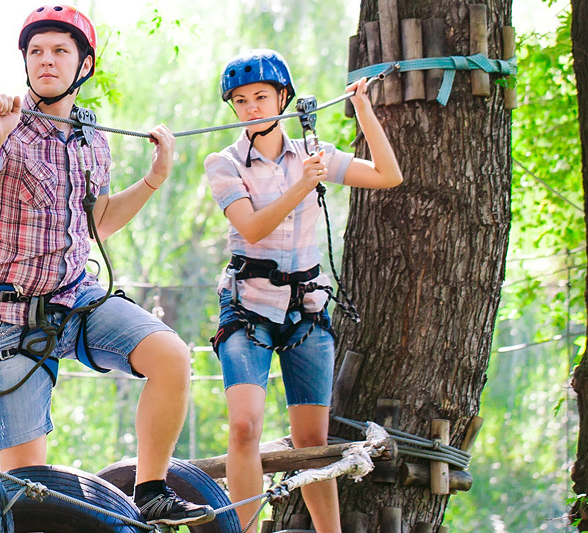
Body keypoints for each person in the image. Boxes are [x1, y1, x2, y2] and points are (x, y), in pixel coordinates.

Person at [0, 5, 212, 526]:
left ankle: (152, 491)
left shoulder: (93, 139)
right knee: (30, 487)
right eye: (36, 52)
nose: (45, 60)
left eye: (59, 51)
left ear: (84, 64)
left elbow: (102, 222)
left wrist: (155, 178)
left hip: (78, 297)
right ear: (25, 62)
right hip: (13, 316)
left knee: (171, 357)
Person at [204, 49, 403, 532]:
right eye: (242, 100)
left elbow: (387, 175)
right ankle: (244, 530)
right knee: (244, 426)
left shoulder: (315, 154)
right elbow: (251, 228)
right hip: (248, 307)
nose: (252, 108)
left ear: (284, 99)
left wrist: (364, 113)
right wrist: (301, 186)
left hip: (306, 308)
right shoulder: (224, 163)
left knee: (311, 438)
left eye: (261, 97)